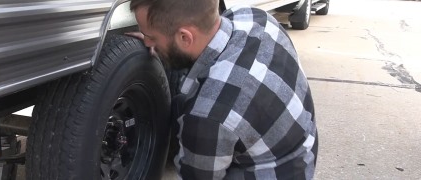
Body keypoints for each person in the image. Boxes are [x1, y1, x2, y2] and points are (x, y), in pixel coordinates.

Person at [127, 0, 319, 179]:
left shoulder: (207, 116)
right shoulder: (256, 17)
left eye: (150, 37)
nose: (147, 42)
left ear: (185, 37)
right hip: (303, 147)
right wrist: (163, 43)